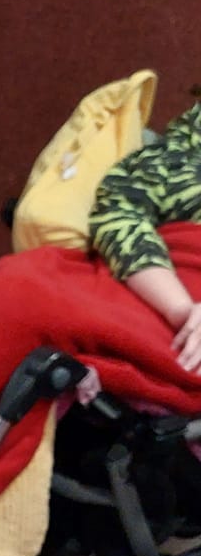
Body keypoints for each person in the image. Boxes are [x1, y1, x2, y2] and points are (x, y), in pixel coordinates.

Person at [90, 96, 201, 374]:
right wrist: (181, 310)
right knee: (21, 292)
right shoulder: (173, 159)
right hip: (159, 295)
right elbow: (118, 214)